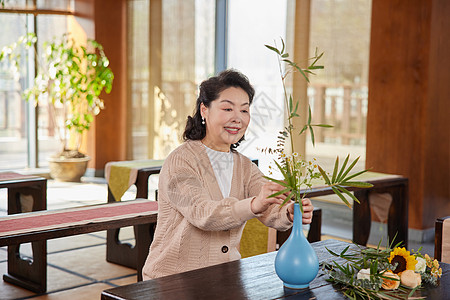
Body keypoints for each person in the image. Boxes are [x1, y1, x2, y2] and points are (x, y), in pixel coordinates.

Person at [142, 69, 314, 280]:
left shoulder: (244, 166)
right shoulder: (181, 160)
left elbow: (268, 207)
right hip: (173, 280)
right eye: (227, 108)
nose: (237, 118)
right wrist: (253, 205)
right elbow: (202, 213)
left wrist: (288, 212)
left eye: (244, 110)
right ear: (204, 110)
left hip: (225, 277)